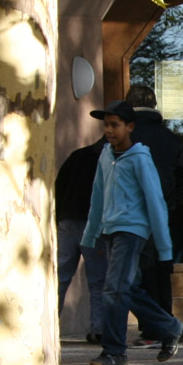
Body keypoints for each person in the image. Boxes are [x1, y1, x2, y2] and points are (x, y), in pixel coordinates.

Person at [83, 103, 183, 365]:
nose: (109, 130)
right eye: (106, 125)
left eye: (115, 125)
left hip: (132, 230)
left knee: (113, 289)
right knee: (123, 288)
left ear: (130, 127)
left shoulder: (140, 157)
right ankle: (171, 327)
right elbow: (97, 195)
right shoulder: (106, 155)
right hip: (110, 229)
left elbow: (155, 201)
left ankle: (114, 351)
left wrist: (164, 248)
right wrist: (90, 233)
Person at [123, 86, 183, 318]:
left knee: (130, 274)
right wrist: (170, 203)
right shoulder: (170, 138)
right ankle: (164, 323)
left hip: (130, 213)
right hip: (161, 211)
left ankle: (152, 327)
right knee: (160, 269)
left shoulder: (124, 135)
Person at [56, 132, 106, 327]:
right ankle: (98, 328)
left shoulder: (77, 156)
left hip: (67, 220)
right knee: (98, 280)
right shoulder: (109, 160)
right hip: (94, 223)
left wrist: (58, 217)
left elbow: (58, 188)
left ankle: (50, 326)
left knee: (60, 276)